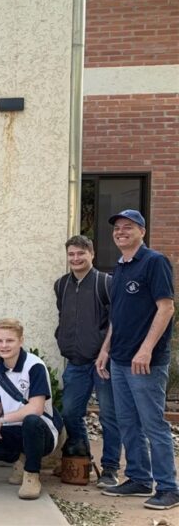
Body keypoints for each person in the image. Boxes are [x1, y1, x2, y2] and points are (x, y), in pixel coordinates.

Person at [97, 210, 177, 510]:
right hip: (119, 360)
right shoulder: (119, 268)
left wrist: (145, 349)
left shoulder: (155, 262)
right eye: (117, 228)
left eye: (128, 227)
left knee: (153, 423)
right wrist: (105, 349)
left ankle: (169, 488)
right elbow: (117, 316)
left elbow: (166, 308)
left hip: (146, 362)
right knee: (128, 422)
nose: (120, 232)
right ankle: (139, 478)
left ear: (142, 231)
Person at [0, 319, 61, 500]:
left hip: (41, 431)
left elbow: (36, 408)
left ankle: (32, 475)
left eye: (9, 340)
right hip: (13, 430)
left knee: (31, 421)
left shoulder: (35, 366)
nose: (4, 345)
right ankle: (21, 459)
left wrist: (2, 420)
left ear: (21, 341)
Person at [54, 235, 120, 488]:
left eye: (81, 253)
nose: (76, 258)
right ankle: (82, 458)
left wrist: (105, 351)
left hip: (103, 362)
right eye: (71, 254)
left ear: (92, 254)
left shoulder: (106, 283)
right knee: (70, 412)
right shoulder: (61, 285)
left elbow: (116, 321)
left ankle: (110, 469)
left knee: (109, 416)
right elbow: (63, 316)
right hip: (75, 362)